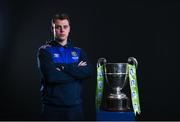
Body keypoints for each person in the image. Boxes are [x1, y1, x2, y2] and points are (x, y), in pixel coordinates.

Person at [37, 13, 93, 120]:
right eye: (58, 27)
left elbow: (88, 72)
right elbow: (52, 77)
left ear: (69, 29)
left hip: (75, 108)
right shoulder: (44, 51)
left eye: (65, 27)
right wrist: (77, 71)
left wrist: (63, 68)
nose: (62, 30)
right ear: (52, 29)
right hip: (52, 109)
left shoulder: (79, 52)